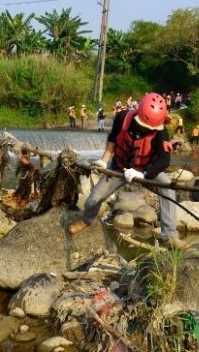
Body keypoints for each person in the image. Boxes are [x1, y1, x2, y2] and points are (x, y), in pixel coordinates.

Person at [67, 93, 185, 249]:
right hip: (119, 167)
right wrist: (103, 161)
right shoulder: (123, 117)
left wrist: (143, 173)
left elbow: (164, 160)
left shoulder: (161, 131)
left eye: (151, 128)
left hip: (146, 169)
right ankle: (87, 220)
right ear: (138, 115)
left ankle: (169, 236)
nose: (147, 130)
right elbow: (113, 138)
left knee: (168, 187)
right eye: (145, 126)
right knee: (93, 199)